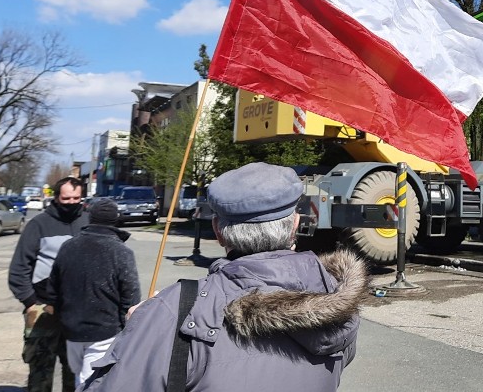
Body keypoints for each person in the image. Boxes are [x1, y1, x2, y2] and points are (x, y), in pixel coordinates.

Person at [84, 162, 368, 392]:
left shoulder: (174, 311)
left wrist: (139, 330)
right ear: (295, 224)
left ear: (218, 232)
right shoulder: (336, 299)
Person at [48, 198, 141, 389]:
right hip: (104, 329)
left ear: (90, 217)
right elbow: (131, 296)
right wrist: (129, 326)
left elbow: (53, 288)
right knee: (91, 382)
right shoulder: (121, 252)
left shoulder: (68, 247)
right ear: (116, 220)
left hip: (71, 328)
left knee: (80, 376)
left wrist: (61, 314)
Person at [9, 177, 89, 392]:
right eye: (66, 198)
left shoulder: (89, 223)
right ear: (56, 197)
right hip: (43, 308)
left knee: (76, 369)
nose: (71, 202)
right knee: (40, 367)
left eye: (76, 198)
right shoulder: (38, 225)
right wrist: (30, 302)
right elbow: (18, 269)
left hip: (78, 311)